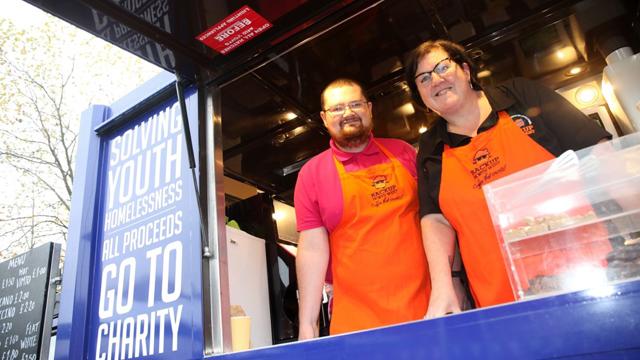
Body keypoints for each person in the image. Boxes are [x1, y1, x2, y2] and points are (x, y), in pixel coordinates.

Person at [404, 39, 612, 318]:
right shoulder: (430, 146)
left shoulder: (522, 96)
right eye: (424, 78)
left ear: (465, 70)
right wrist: (445, 287)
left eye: (443, 67)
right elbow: (436, 220)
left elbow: (598, 152)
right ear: (421, 98)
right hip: (498, 297)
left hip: (586, 273)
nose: (436, 80)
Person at [294, 78, 430, 339]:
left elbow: (434, 220)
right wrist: (307, 327)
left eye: (355, 104)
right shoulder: (312, 173)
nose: (348, 113)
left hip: (424, 310)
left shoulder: (403, 153)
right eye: (337, 108)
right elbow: (312, 250)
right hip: (356, 324)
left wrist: (453, 286)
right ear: (324, 118)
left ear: (369, 109)